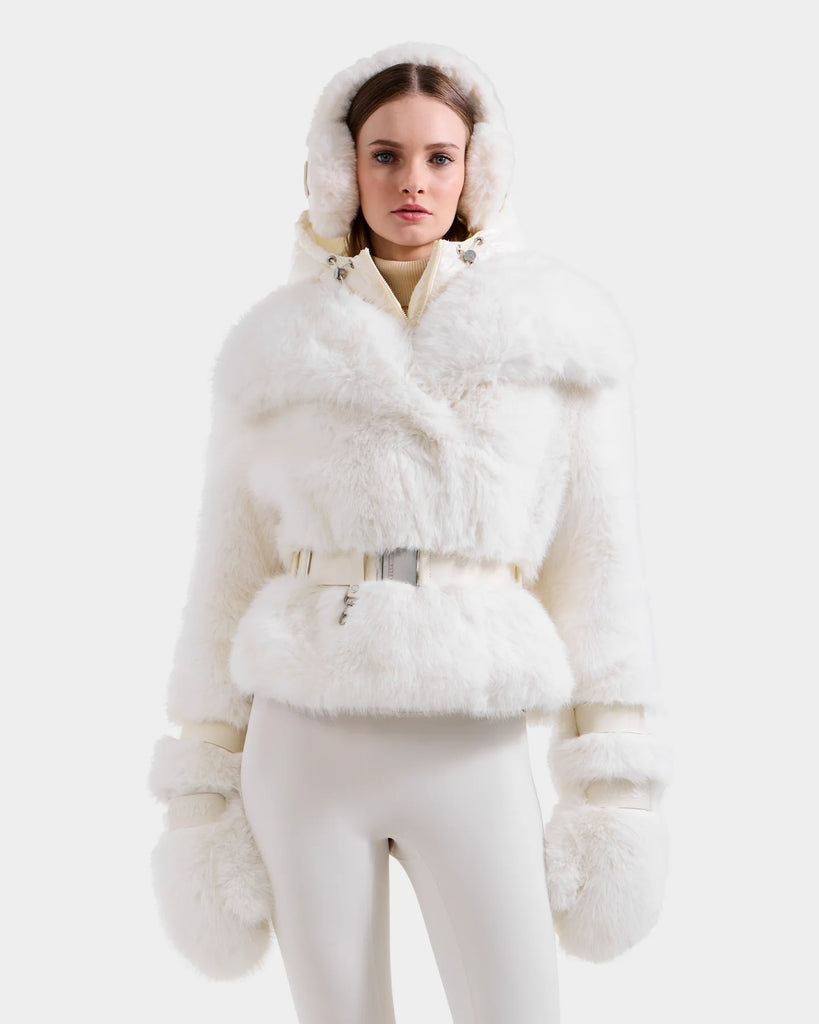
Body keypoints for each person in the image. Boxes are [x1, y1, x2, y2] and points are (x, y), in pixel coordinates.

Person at [149, 40, 673, 1024]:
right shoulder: (275, 348)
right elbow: (226, 573)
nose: (413, 181)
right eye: (384, 154)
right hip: (304, 741)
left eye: (440, 155)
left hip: (467, 736)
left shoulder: (552, 337)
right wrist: (200, 787)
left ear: (479, 167)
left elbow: (598, 572)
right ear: (340, 166)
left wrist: (614, 784)